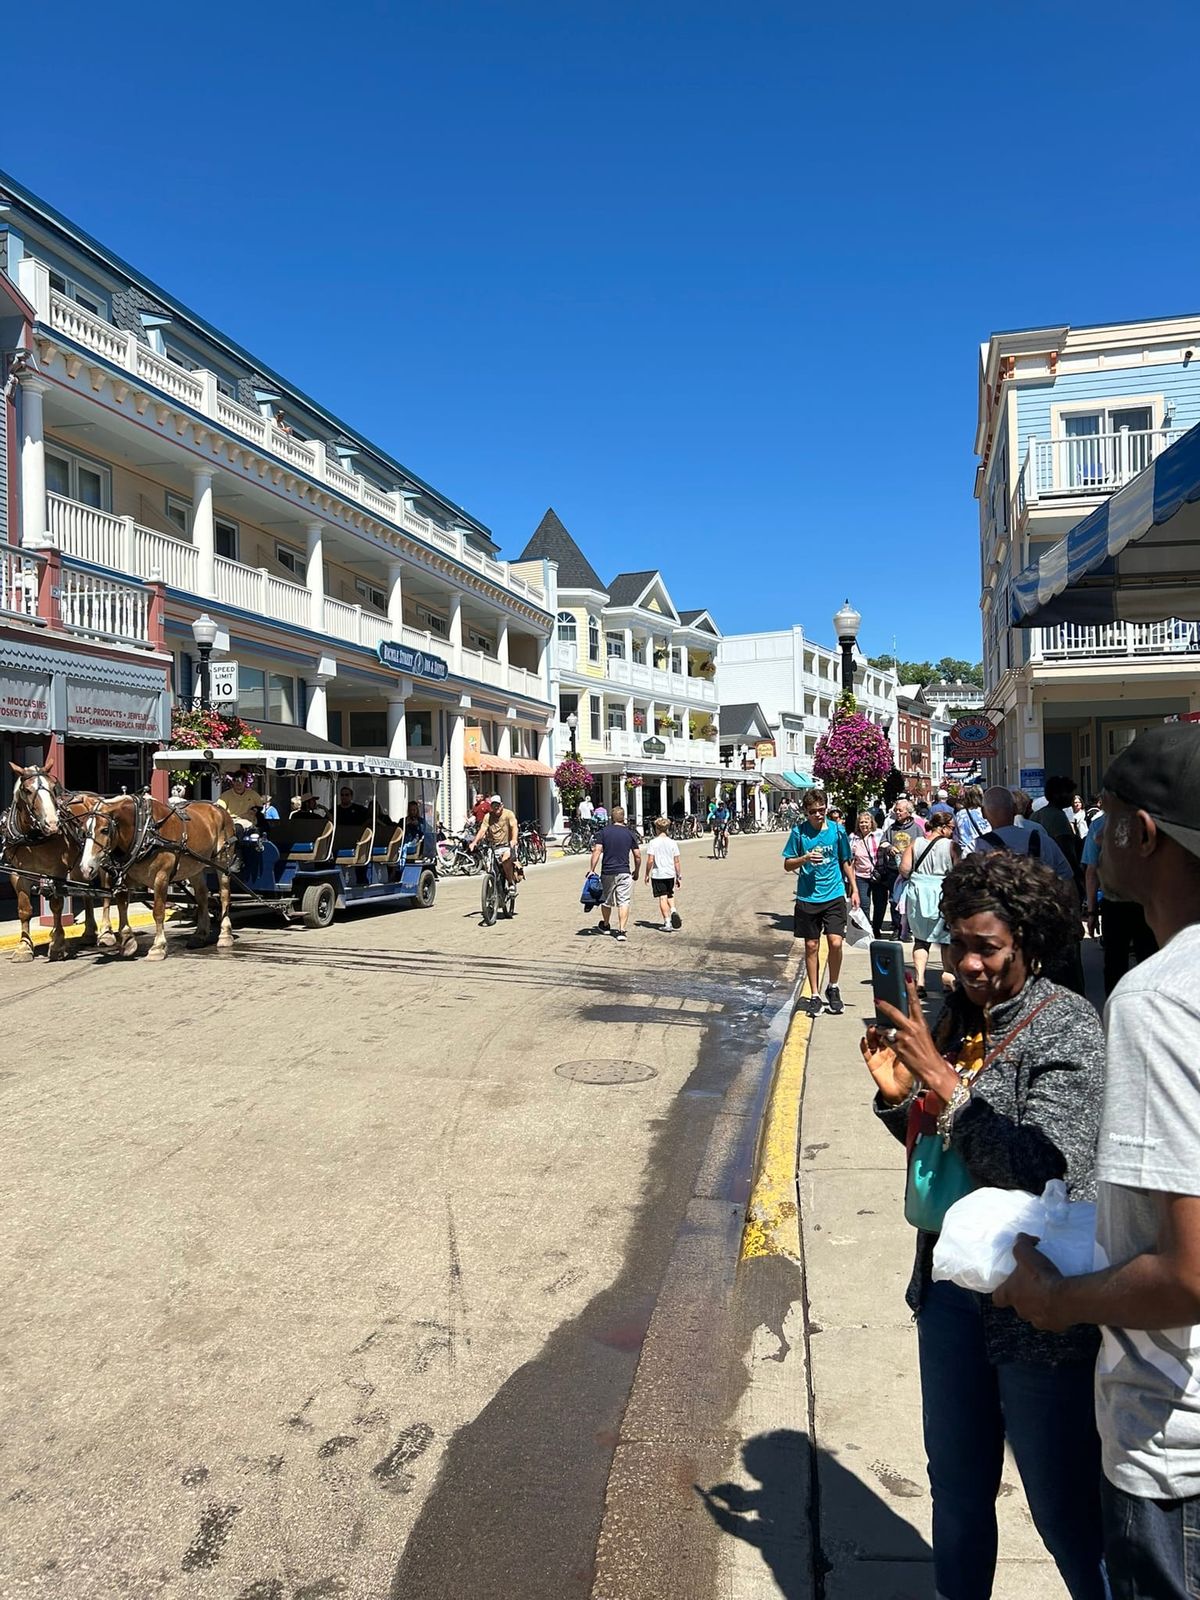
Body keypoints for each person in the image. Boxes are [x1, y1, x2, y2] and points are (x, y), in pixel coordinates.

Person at [863, 851, 1107, 1600]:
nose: (968, 964)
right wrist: (902, 1098)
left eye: (987, 948)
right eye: (956, 944)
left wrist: (945, 1082)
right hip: (948, 1294)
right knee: (958, 1491)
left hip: (1035, 1306)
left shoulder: (1065, 1025)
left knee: (1064, 1508)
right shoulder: (957, 1019)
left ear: (1028, 944)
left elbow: (1045, 1167)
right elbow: (953, 1161)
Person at [993, 724, 1200, 1599]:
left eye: (1108, 815)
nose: (1096, 833)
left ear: (1141, 834)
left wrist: (1055, 1300)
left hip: (1175, 1452)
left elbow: (1189, 1273)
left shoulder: (1157, 999)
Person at [783, 786, 858, 1018]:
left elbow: (846, 860)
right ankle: (815, 994)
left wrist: (854, 889)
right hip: (807, 897)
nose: (819, 814)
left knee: (835, 942)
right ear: (806, 811)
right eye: (814, 811)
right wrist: (804, 858)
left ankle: (833, 987)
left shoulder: (837, 831)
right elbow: (787, 864)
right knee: (812, 946)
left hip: (834, 893)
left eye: (822, 809)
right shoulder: (799, 832)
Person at [1082, 807, 1157, 996]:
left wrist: (1091, 912)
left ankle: (1115, 1009)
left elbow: (1092, 871)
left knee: (1115, 962)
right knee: (1148, 958)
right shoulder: (1148, 824)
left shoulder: (1099, 825)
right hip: (1145, 903)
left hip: (1114, 903)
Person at [898, 807, 956, 999]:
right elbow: (961, 872)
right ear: (943, 828)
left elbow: (904, 869)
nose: (953, 832)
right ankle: (948, 981)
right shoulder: (951, 846)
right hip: (942, 893)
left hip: (918, 893)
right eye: (952, 828)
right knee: (945, 940)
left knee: (921, 940)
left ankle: (920, 981)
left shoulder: (917, 843)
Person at [973, 786, 1074, 882]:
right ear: (1015, 809)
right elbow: (1067, 879)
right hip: (1036, 898)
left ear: (983, 813)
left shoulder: (976, 846)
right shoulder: (1042, 840)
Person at [589, 805, 641, 942]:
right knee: (624, 901)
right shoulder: (630, 833)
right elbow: (637, 855)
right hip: (624, 871)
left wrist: (591, 869)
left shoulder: (604, 832)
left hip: (607, 871)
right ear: (623, 818)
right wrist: (637, 871)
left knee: (606, 900)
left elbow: (597, 851)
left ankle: (605, 925)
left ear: (611, 818)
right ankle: (622, 931)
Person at [878, 798, 925, 937]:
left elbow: (922, 846)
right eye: (896, 810)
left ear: (908, 812)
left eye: (900, 810)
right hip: (894, 869)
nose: (897, 812)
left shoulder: (916, 829)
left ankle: (908, 928)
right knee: (894, 898)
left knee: (911, 899)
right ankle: (897, 927)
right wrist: (890, 848)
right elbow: (883, 842)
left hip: (912, 871)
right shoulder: (891, 828)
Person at [849, 810, 889, 939]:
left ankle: (876, 928)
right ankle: (867, 930)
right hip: (861, 876)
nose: (864, 824)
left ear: (872, 823)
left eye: (866, 822)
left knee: (880, 904)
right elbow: (851, 860)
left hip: (878, 875)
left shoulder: (879, 834)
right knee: (864, 905)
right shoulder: (853, 837)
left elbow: (886, 848)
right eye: (861, 822)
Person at [471, 794, 520, 892]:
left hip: (507, 845)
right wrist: (474, 842)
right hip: (493, 847)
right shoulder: (488, 817)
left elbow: (514, 827)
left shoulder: (508, 814)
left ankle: (510, 883)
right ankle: (493, 890)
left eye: (497, 805)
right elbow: (483, 829)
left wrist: (514, 839)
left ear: (502, 805)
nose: (496, 807)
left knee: (506, 860)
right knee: (489, 867)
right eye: (493, 805)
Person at [643, 816, 682, 931]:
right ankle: (673, 910)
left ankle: (667, 922)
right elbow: (677, 861)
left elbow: (650, 860)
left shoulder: (653, 842)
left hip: (658, 873)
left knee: (662, 898)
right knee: (670, 894)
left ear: (657, 829)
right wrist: (678, 875)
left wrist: (646, 874)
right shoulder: (673, 843)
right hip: (670, 873)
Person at [953, 783, 988, 857]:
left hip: (965, 854)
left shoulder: (960, 814)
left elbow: (956, 836)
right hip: (982, 852)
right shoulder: (985, 812)